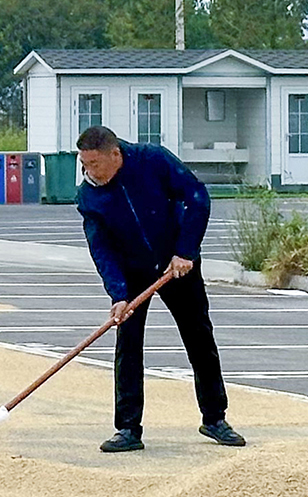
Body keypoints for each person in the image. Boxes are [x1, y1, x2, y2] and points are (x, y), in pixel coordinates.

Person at [74, 124, 245, 453]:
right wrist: (118, 294)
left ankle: (214, 418)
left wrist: (186, 250)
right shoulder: (89, 195)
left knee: (199, 338)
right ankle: (128, 428)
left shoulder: (152, 160)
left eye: (94, 163)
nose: (90, 171)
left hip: (175, 263)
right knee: (128, 345)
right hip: (132, 270)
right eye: (85, 164)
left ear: (115, 154)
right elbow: (101, 249)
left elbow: (197, 197)